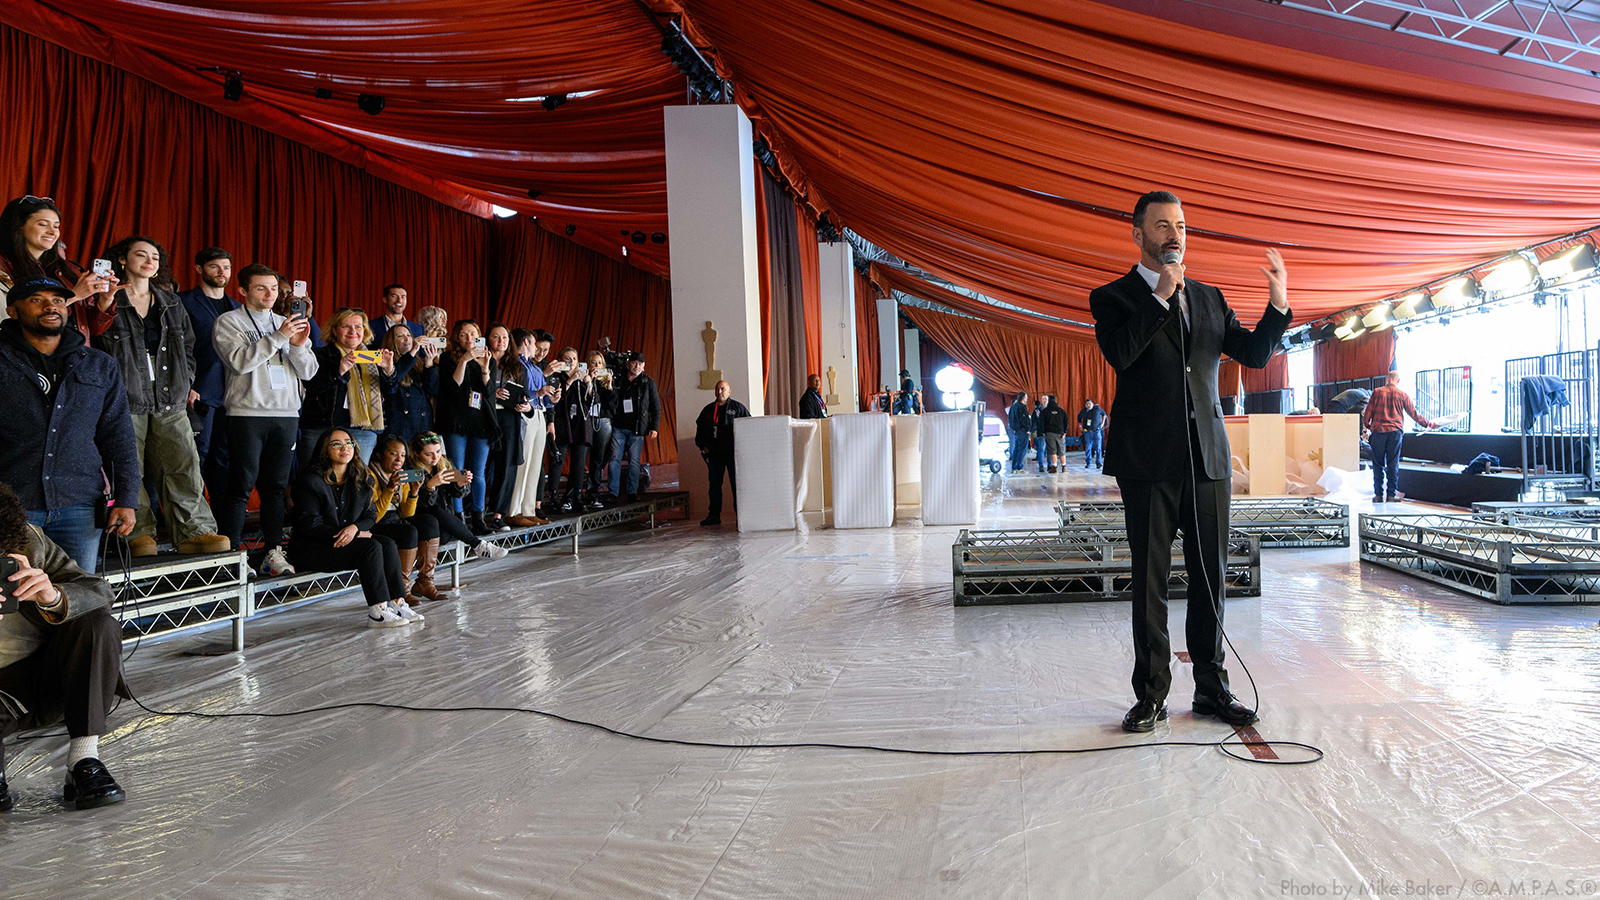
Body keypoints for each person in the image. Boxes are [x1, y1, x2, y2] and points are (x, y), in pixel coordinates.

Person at [1089, 190, 1290, 733]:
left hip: (1208, 459)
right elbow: (1122, 353)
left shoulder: (1209, 297)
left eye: (1179, 225)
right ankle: (1151, 693)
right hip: (1146, 460)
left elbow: (1250, 354)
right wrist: (1160, 297)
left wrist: (1276, 305)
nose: (1173, 234)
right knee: (1149, 580)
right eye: (1161, 226)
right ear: (1138, 234)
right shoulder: (1112, 297)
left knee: (1211, 578)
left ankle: (1211, 688)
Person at [0, 480, 129, 811]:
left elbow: (99, 591)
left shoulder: (26, 539)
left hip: (37, 683)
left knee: (97, 623)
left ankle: (84, 760)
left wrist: (54, 597)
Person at [96, 236, 229, 556]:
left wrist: (186, 381)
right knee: (128, 466)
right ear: (123, 261)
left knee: (184, 461)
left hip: (170, 396)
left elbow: (188, 346)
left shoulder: (170, 301)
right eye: (140, 255)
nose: (149, 260)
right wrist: (103, 304)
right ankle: (136, 532)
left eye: (154, 256)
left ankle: (194, 530)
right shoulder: (107, 297)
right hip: (125, 396)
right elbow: (97, 343)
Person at [0, 279, 138, 572]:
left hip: (79, 507)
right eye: (37, 300)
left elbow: (119, 435)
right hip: (12, 506)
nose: (51, 306)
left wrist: (126, 498)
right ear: (12, 311)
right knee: (14, 605)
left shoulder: (99, 364)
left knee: (80, 601)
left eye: (59, 300)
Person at [214, 263, 319, 576]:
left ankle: (274, 551)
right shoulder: (228, 321)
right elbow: (239, 361)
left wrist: (298, 345)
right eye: (261, 288)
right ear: (243, 291)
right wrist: (278, 337)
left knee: (276, 488)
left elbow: (309, 371)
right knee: (241, 486)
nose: (270, 294)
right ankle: (234, 557)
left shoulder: (287, 322)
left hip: (285, 414)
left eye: (274, 288)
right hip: (247, 413)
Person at [288, 429, 422, 628]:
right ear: (325, 450)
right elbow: (311, 526)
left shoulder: (361, 477)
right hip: (313, 547)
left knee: (386, 543)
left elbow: (370, 514)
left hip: (344, 542)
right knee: (370, 547)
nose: (344, 448)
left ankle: (397, 602)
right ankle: (377, 611)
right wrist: (353, 533)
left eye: (348, 443)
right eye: (336, 444)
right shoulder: (310, 480)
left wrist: (355, 529)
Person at [0, 195, 118, 339]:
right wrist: (74, 295)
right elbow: (13, 320)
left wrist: (105, 299)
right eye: (43, 224)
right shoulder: (4, 268)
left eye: (56, 226)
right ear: (19, 226)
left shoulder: (70, 270)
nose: (52, 232)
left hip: (74, 357)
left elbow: (94, 329)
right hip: (27, 356)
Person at [177, 247, 241, 504]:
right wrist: (185, 385)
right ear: (199, 269)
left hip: (234, 394)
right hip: (198, 390)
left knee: (224, 456)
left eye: (226, 267)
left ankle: (221, 513)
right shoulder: (181, 301)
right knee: (196, 455)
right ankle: (193, 513)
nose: (221, 272)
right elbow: (174, 349)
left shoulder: (238, 308)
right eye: (215, 266)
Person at [302, 308, 394, 464]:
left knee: (356, 478)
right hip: (322, 426)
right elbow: (312, 387)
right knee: (314, 476)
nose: (353, 331)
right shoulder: (319, 354)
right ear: (334, 330)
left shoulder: (372, 357)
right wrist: (339, 371)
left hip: (363, 429)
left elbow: (391, 391)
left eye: (358, 327)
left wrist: (389, 370)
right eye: (346, 326)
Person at [435, 319, 500, 534]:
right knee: (458, 471)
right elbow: (453, 387)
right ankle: (458, 518)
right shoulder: (447, 358)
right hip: (456, 421)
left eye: (473, 334)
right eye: (464, 335)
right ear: (457, 338)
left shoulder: (488, 359)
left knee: (478, 472)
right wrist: (463, 360)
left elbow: (489, 392)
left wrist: (484, 369)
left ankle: (478, 518)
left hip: (480, 421)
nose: (469, 339)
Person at [409, 432, 509, 567]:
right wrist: (430, 486)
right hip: (418, 517)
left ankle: (477, 544)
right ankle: (477, 544)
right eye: (429, 454)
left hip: (442, 519)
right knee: (434, 510)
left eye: (438, 451)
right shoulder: (411, 470)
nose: (435, 457)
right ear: (416, 453)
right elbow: (419, 505)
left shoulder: (443, 464)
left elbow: (457, 494)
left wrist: (459, 485)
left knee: (443, 536)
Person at [482, 323, 531, 531]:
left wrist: (526, 405)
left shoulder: (518, 365)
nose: (501, 341)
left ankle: (498, 514)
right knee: (481, 466)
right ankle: (475, 510)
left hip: (510, 418)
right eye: (495, 337)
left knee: (506, 467)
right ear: (488, 339)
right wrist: (493, 393)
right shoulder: (479, 361)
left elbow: (526, 394)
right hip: (484, 417)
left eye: (504, 337)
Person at [505, 329, 556, 527]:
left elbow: (542, 395)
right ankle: (513, 509)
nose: (536, 348)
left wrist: (551, 398)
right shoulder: (517, 365)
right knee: (523, 463)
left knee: (535, 464)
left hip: (538, 413)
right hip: (525, 414)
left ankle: (528, 508)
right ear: (526, 342)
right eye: (534, 344)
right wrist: (538, 393)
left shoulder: (533, 367)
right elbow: (520, 393)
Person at [1363, 371, 1436, 503]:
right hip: (1395, 433)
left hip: (1378, 432)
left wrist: (1369, 426)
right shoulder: (1402, 395)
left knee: (1378, 463)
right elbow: (1414, 414)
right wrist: (1428, 424)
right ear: (1398, 381)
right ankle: (1391, 495)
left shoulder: (1376, 392)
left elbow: (1367, 413)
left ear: (1387, 379)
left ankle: (1378, 495)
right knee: (1393, 463)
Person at [547, 347, 604, 512]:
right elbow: (556, 399)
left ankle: (576, 496)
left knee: (579, 463)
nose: (571, 361)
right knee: (558, 460)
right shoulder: (556, 377)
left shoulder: (582, 377)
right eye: (567, 358)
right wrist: (571, 380)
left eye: (573, 358)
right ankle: (553, 497)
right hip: (562, 423)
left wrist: (589, 384)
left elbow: (593, 402)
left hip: (580, 423)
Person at [695, 381, 750, 526]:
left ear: (729, 391)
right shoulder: (708, 410)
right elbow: (699, 430)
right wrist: (703, 446)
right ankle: (714, 515)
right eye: (717, 389)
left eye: (723, 389)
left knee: (736, 486)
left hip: (733, 454)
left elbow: (750, 427)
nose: (720, 391)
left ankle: (741, 516)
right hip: (714, 455)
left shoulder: (738, 408)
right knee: (714, 486)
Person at [607, 354, 660, 502]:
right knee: (614, 459)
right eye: (634, 363)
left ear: (644, 366)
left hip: (637, 428)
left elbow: (655, 406)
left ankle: (632, 492)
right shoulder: (619, 379)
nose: (637, 366)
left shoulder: (648, 382)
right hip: (618, 426)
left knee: (634, 461)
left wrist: (654, 427)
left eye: (640, 364)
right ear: (628, 364)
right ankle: (613, 492)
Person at [380, 323, 440, 442]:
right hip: (400, 425)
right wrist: (412, 351)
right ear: (392, 341)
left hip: (422, 424)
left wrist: (429, 364)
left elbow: (432, 390)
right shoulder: (386, 361)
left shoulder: (418, 362)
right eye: (400, 336)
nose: (407, 339)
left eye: (409, 335)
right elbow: (392, 382)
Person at [584, 350, 617, 501]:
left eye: (599, 363)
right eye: (593, 362)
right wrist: (589, 382)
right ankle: (581, 489)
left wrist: (609, 386)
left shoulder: (605, 383)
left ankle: (593, 489)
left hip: (603, 420)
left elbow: (611, 406)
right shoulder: (583, 380)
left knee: (600, 456)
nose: (596, 366)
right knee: (584, 454)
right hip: (587, 420)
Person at [369, 283, 425, 348]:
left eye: (403, 297)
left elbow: (422, 356)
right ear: (385, 300)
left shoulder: (418, 329)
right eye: (394, 296)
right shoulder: (370, 326)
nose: (399, 300)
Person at [1037, 395, 1069, 473]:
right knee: (1062, 451)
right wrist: (1064, 431)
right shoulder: (1062, 411)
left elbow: (1041, 423)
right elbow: (1066, 422)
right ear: (1056, 401)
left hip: (1049, 433)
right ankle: (1064, 467)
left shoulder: (1044, 411)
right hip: (1060, 433)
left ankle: (1054, 468)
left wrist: (1043, 432)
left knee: (1052, 451)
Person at [1078, 398, 1107, 469]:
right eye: (1087, 404)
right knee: (1088, 448)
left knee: (1098, 448)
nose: (1088, 405)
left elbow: (1104, 414)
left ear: (1092, 404)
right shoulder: (1083, 411)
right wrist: (1080, 426)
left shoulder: (1097, 409)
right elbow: (1079, 418)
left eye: (1089, 404)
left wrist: (1102, 423)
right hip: (1087, 432)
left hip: (1096, 431)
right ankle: (1088, 462)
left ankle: (1098, 462)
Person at [1006, 392, 1031, 473]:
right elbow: (1024, 419)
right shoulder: (1022, 407)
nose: (1027, 399)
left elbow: (1010, 418)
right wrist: (1028, 429)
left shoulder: (1013, 406)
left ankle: (1014, 465)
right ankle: (1019, 467)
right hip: (1022, 431)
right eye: (1026, 397)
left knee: (1016, 449)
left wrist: (1013, 428)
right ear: (1023, 398)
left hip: (1015, 431)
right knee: (1022, 449)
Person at [1031, 397, 1047, 472]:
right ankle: (1048, 465)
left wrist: (1032, 430)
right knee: (1043, 448)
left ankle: (1041, 464)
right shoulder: (1044, 410)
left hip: (1039, 432)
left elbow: (1035, 421)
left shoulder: (1037, 411)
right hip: (1044, 432)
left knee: (1040, 448)